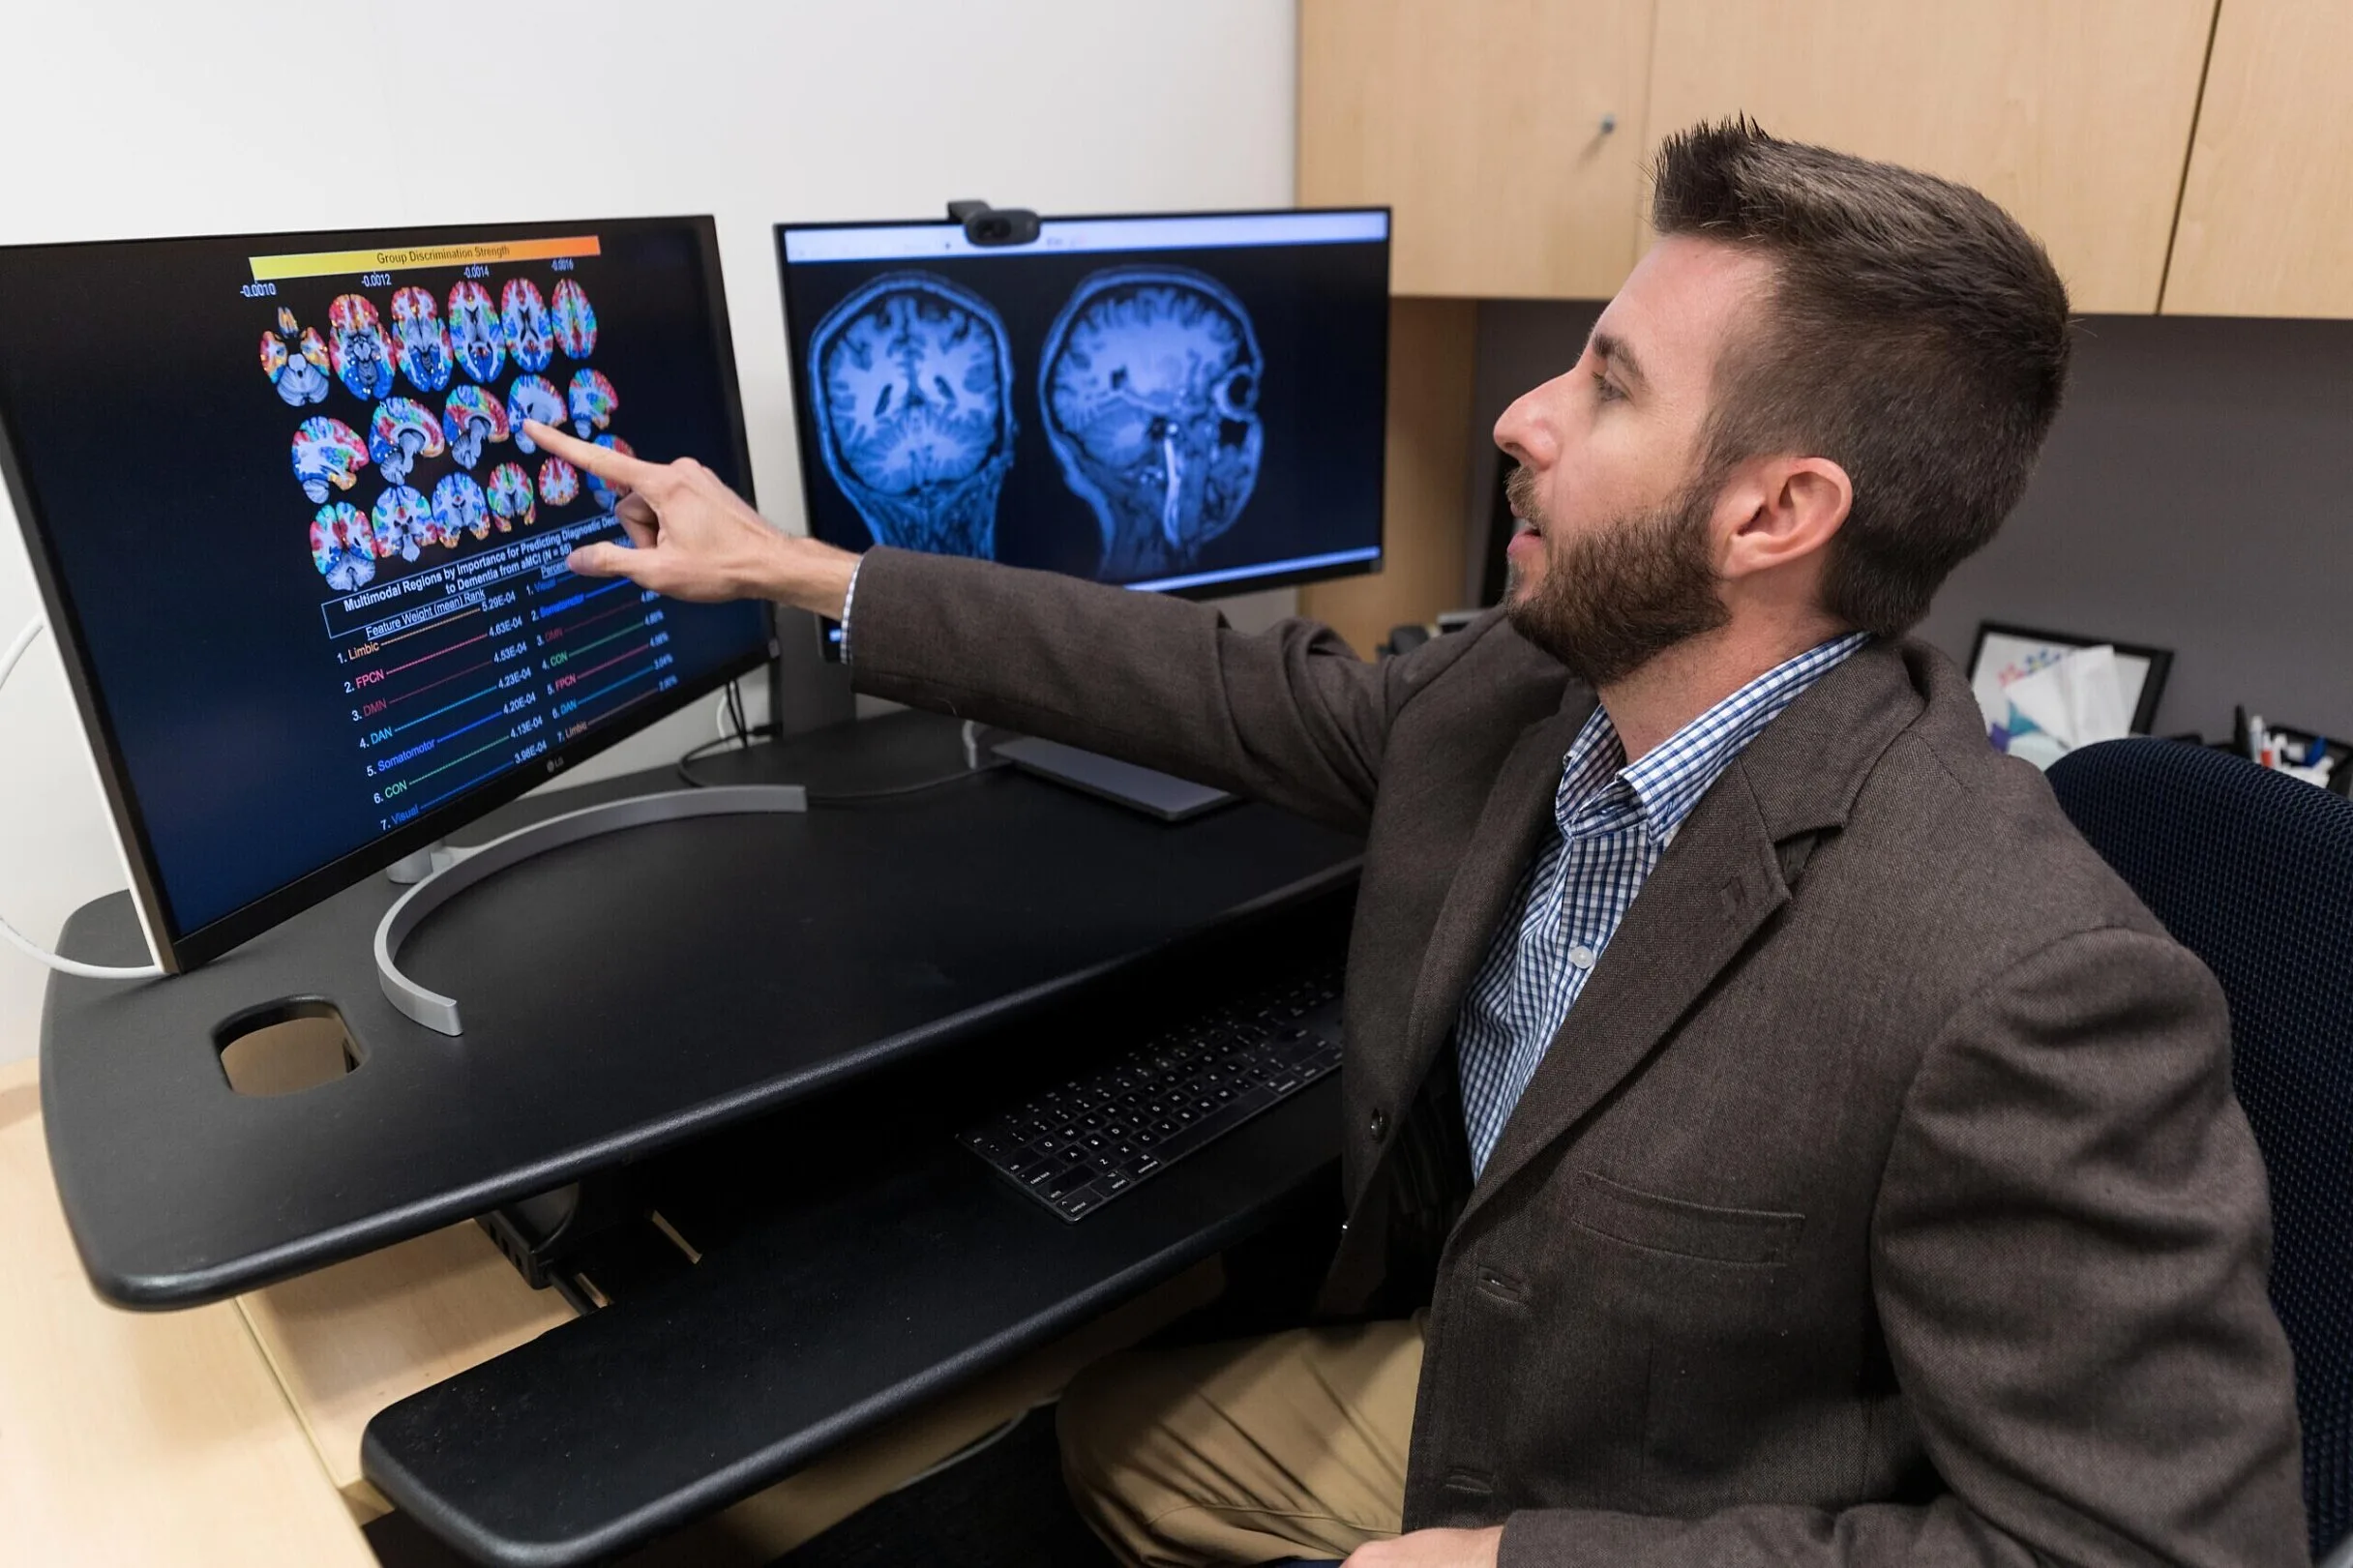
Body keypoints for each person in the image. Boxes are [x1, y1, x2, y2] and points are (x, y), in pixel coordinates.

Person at [521, 119, 2306, 1568]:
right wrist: (808, 572)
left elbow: (2155, 1556)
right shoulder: (1526, 698)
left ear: (1776, 511)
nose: (1522, 420)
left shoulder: (2026, 983)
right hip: (1492, 1366)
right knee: (1094, 1436)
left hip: (1675, 1507)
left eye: (1607, 386)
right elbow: (1210, 683)